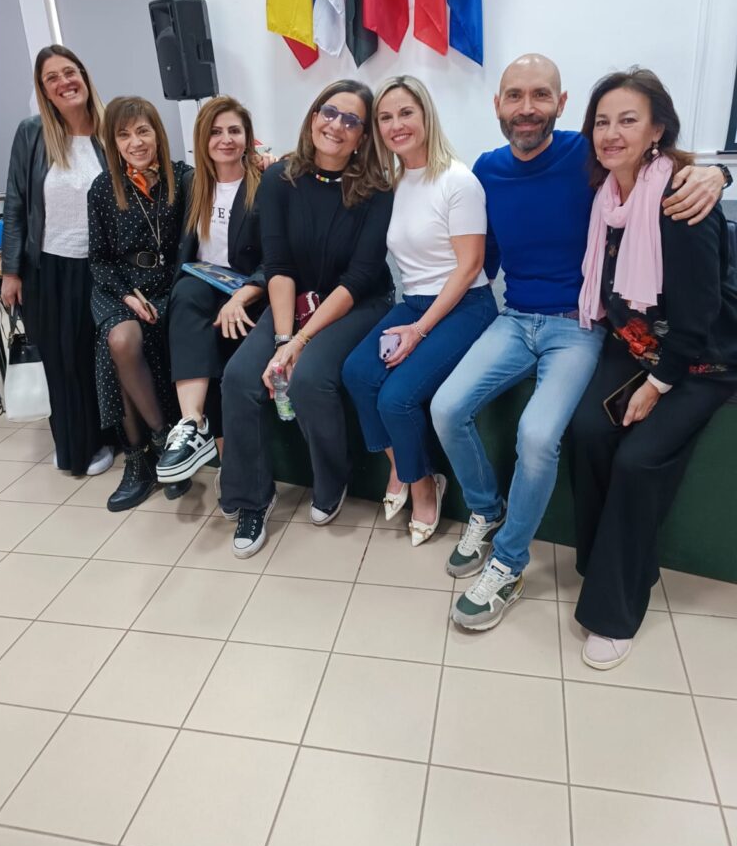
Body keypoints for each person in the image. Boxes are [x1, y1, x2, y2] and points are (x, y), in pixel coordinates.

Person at [430, 53, 728, 632]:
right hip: (514, 318)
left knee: (538, 435)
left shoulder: (588, 155)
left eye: (541, 95)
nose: (527, 108)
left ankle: (509, 564)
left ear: (562, 105)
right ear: (497, 104)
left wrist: (718, 173)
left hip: (579, 325)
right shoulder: (486, 169)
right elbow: (483, 252)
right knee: (445, 408)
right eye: (514, 95)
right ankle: (486, 510)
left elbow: (667, 162)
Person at [571, 68, 737, 669]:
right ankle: (610, 564)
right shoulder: (607, 198)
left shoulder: (680, 200)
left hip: (700, 358)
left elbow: (699, 314)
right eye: (601, 122)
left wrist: (659, 384)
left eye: (628, 120)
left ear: (657, 130)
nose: (611, 134)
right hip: (636, 343)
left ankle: (614, 610)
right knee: (587, 431)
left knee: (638, 459)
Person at [219, 79, 393, 558]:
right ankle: (253, 499)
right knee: (240, 376)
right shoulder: (280, 178)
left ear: (363, 136)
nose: (336, 125)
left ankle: (332, 480)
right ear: (314, 116)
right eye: (329, 112)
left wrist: (299, 343)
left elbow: (359, 278)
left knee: (309, 377)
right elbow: (278, 265)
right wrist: (282, 339)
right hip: (293, 301)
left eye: (351, 120)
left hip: (356, 302)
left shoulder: (378, 190)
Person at [342, 76, 497, 545]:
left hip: (465, 306)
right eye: (385, 117)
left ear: (426, 115)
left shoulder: (458, 181)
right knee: (357, 372)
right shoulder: (394, 183)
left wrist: (419, 330)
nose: (396, 125)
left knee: (396, 398)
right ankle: (407, 468)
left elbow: (470, 266)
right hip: (413, 302)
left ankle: (425, 487)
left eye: (406, 113)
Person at [1, 45, 113, 477]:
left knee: (88, 357)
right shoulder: (32, 134)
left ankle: (103, 438)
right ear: (44, 90)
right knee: (58, 359)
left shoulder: (109, 130)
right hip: (45, 267)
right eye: (52, 78)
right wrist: (11, 272)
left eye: (69, 72)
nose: (64, 82)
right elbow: (16, 203)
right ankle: (72, 446)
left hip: (97, 267)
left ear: (83, 75)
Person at [155, 96, 267, 485]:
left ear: (248, 137)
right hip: (202, 286)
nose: (226, 139)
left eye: (234, 131)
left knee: (224, 347)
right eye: (216, 132)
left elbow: (277, 260)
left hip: (247, 292)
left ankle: (234, 466)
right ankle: (192, 423)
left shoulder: (265, 184)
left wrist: (243, 295)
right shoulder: (192, 184)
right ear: (202, 139)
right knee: (186, 295)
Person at [88, 96, 191, 511]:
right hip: (119, 287)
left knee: (114, 351)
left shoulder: (182, 178)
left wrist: (262, 160)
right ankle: (161, 443)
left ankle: (142, 460)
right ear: (113, 142)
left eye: (143, 131)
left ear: (157, 133)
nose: (136, 142)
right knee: (119, 340)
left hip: (166, 285)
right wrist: (128, 296)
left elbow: (227, 176)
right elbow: (98, 260)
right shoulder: (102, 188)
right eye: (124, 134)